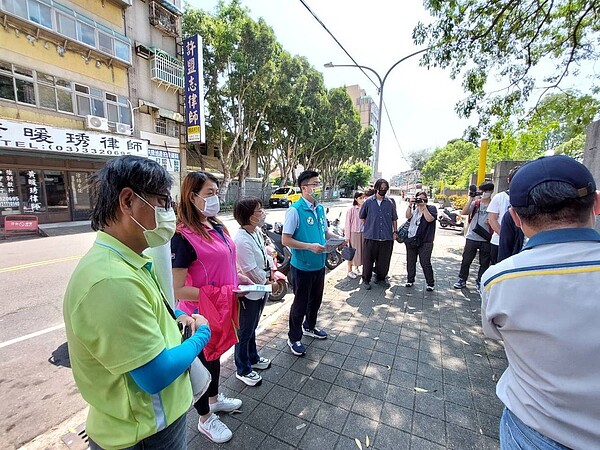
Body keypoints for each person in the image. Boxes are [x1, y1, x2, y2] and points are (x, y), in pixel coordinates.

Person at [63, 156, 211, 450]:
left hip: (149, 424)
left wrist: (178, 319)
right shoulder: (111, 281)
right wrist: (201, 335)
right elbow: (154, 376)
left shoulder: (129, 261)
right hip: (144, 433)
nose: (168, 213)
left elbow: (152, 316)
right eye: (161, 202)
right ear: (128, 200)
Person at [480, 155, 600, 450]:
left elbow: (494, 332)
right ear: (596, 203)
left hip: (532, 431)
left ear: (516, 218)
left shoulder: (500, 278)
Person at [171, 171, 243, 444]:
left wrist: (240, 279)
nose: (216, 198)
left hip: (221, 308)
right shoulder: (182, 236)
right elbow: (177, 289)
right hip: (198, 315)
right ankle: (204, 419)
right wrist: (219, 294)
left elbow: (226, 263)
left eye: (217, 192)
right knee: (201, 364)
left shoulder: (217, 226)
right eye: (209, 193)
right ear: (192, 197)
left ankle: (214, 399)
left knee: (214, 359)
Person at [282, 170, 338, 356]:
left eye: (318, 183)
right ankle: (294, 337)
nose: (318, 187)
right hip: (302, 266)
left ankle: (310, 326)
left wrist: (338, 239)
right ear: (304, 188)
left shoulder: (320, 208)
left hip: (319, 265)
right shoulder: (295, 211)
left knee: (316, 301)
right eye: (315, 184)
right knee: (300, 304)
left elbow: (325, 233)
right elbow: (286, 240)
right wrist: (309, 246)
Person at [232, 197, 273, 386]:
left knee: (253, 327)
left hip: (261, 288)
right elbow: (250, 271)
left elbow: (264, 254)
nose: (262, 213)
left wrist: (271, 271)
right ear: (249, 216)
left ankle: (253, 358)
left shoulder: (256, 231)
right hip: (250, 291)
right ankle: (243, 368)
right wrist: (267, 279)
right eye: (259, 211)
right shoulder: (240, 239)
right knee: (245, 331)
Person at [453, 181, 495, 291]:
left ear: (491, 192)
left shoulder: (494, 204)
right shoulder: (476, 203)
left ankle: (480, 280)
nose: (484, 193)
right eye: (482, 191)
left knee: (484, 262)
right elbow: (464, 212)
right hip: (472, 236)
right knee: (466, 260)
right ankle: (462, 279)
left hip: (486, 237)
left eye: (487, 191)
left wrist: (492, 220)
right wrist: (470, 199)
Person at [359, 178, 398, 289]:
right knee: (367, 260)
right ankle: (366, 280)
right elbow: (362, 217)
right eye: (381, 188)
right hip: (371, 236)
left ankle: (380, 278)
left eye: (385, 188)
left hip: (386, 237)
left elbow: (394, 218)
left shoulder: (390, 202)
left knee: (384, 261)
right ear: (376, 188)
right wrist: (369, 227)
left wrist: (395, 232)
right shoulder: (368, 202)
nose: (383, 190)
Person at [404, 191, 437, 291]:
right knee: (410, 261)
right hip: (412, 238)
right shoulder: (414, 208)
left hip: (425, 240)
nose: (420, 200)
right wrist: (410, 204)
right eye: (418, 198)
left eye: (422, 198)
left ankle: (430, 283)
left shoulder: (431, 208)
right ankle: (410, 280)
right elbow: (407, 216)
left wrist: (424, 206)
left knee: (425, 262)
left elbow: (429, 219)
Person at [487, 166, 520, 264]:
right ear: (508, 180)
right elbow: (492, 219)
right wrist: (505, 236)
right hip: (498, 242)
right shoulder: (499, 197)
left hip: (519, 244)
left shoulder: (528, 197)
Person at [344, 191, 366, 278]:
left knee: (361, 252)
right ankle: (349, 270)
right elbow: (347, 224)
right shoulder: (351, 210)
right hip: (354, 233)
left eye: (363, 198)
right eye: (360, 198)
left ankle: (357, 268)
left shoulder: (365, 208)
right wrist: (347, 237)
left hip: (363, 232)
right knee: (352, 252)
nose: (362, 200)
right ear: (356, 199)